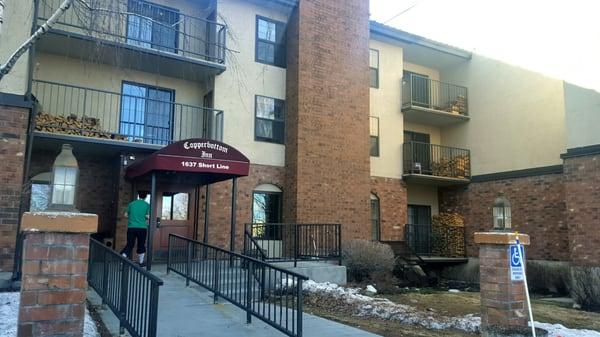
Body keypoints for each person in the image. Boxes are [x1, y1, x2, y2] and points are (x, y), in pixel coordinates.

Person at [121, 191, 150, 266]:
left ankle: (122, 258)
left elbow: (125, 215)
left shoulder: (131, 204)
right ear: (145, 197)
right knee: (141, 244)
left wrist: (132, 218)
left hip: (131, 227)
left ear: (138, 196)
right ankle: (141, 262)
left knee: (130, 244)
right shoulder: (147, 205)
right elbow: (147, 216)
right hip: (142, 228)